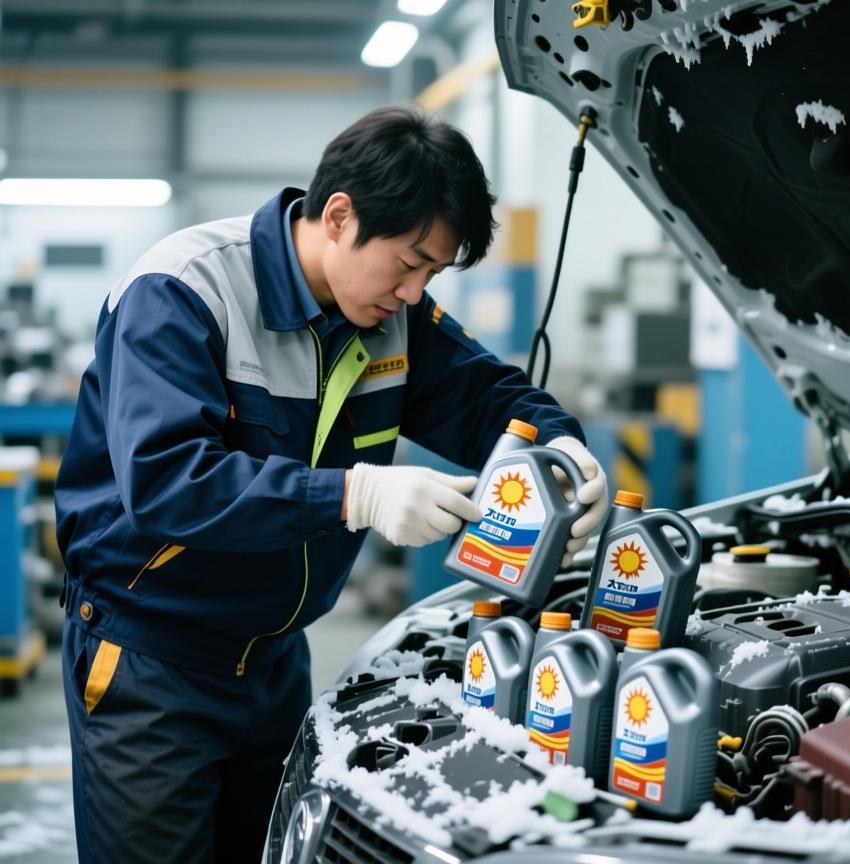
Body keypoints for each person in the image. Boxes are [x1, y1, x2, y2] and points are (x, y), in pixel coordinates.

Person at [53, 105, 608, 863]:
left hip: (277, 661)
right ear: (340, 216)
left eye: (433, 273)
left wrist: (566, 448)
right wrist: (359, 495)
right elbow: (169, 482)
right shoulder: (184, 291)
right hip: (154, 665)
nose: (415, 293)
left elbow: (487, 397)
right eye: (411, 263)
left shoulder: (389, 315)